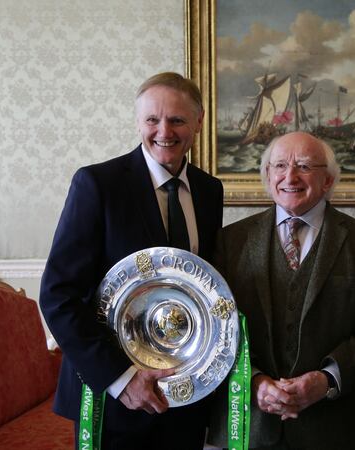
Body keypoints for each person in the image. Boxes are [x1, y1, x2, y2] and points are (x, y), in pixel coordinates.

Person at [40, 72, 223, 449]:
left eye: (177, 120)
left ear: (199, 122)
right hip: (111, 401)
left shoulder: (209, 191)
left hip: (184, 401)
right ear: (138, 122)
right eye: (152, 120)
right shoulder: (97, 184)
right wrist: (121, 380)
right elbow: (58, 296)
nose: (163, 131)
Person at [207, 131, 355, 449]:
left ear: (328, 180)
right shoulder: (229, 242)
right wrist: (254, 381)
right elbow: (216, 330)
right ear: (267, 175)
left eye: (304, 166)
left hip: (338, 430)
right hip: (250, 426)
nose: (290, 176)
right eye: (279, 166)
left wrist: (326, 380)